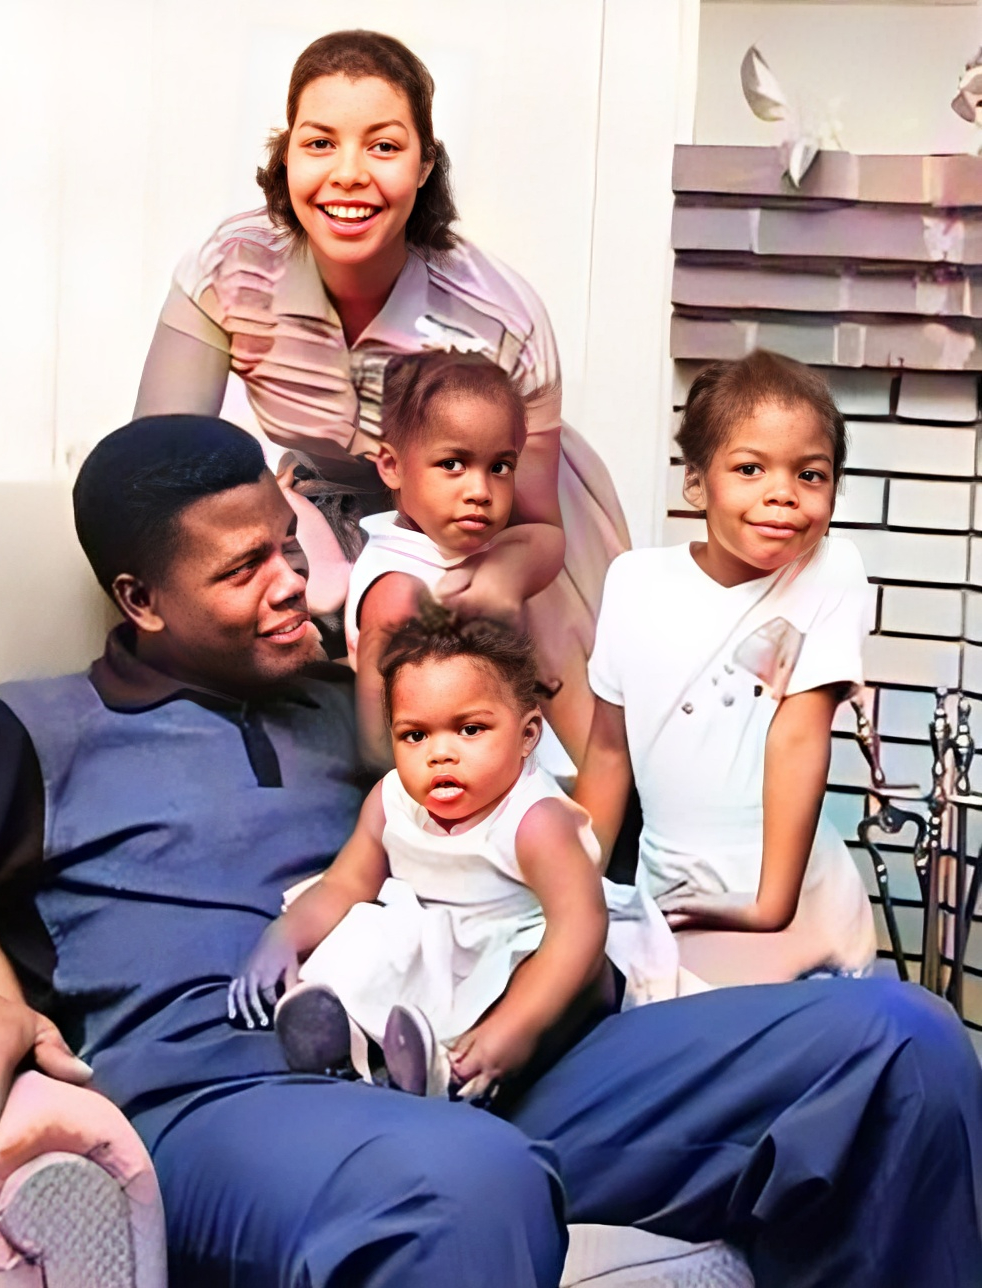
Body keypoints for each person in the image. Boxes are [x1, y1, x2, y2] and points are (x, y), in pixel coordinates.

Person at [0, 414, 980, 1288]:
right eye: (242, 569)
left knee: (894, 1043)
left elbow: (568, 831)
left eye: (287, 545)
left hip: (481, 1059)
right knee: (458, 1181)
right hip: (234, 1108)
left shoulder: (376, 703)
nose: (294, 582)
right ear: (140, 600)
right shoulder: (32, 732)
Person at [134, 28, 628, 762]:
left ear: (426, 163)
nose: (349, 174)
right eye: (320, 142)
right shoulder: (232, 270)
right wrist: (284, 523)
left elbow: (533, 524)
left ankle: (596, 848)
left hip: (492, 512)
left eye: (384, 146)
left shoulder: (500, 317)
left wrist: (489, 581)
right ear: (286, 153)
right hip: (318, 501)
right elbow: (155, 466)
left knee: (552, 690)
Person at [575, 351, 877, 988]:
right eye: (749, 468)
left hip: (790, 902)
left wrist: (771, 906)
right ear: (696, 482)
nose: (782, 495)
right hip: (676, 902)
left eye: (811, 475)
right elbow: (607, 754)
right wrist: (573, 890)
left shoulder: (829, 570)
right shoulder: (633, 582)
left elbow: (798, 735)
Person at [230, 604, 612, 1102]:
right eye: (415, 735)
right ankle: (343, 1034)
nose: (440, 753)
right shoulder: (390, 802)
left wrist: (517, 1028)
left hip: (528, 945)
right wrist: (285, 935)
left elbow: (579, 928)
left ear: (526, 736)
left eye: (470, 729)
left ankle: (457, 1072)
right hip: (440, 945)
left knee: (539, 984)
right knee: (364, 929)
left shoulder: (535, 821)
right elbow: (345, 884)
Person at [343, 349, 567, 767]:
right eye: (453, 464)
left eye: (500, 466)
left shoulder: (461, 548)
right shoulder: (399, 589)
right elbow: (378, 742)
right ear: (391, 466)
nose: (480, 490)